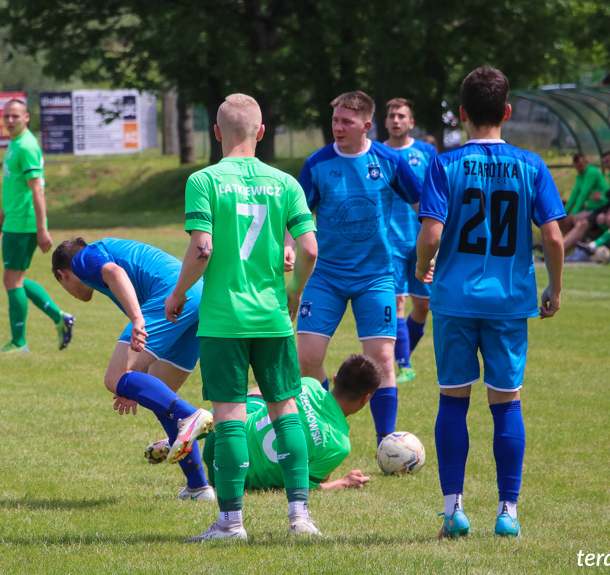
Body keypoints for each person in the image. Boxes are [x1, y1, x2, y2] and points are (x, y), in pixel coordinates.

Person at [415, 67, 565, 539]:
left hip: (456, 301)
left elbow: (432, 233)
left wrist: (424, 267)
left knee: (453, 400)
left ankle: (454, 511)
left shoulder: (443, 164)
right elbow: (555, 237)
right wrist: (554, 289)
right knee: (506, 404)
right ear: (507, 111)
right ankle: (507, 513)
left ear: (462, 114)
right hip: (508, 303)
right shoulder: (531, 164)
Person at [165, 93, 319, 542]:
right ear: (261, 132)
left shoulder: (204, 181)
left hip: (222, 319)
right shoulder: (285, 183)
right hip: (272, 316)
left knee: (229, 415)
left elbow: (202, 248)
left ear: (216, 133)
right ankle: (300, 518)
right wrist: (293, 293)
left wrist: (177, 294)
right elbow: (309, 248)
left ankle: (231, 523)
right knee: (285, 410)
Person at [292, 91, 422, 447]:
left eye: (347, 122)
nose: (338, 127)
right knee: (307, 358)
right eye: (335, 120)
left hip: (376, 276)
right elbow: (297, 219)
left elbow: (423, 205)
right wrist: (289, 250)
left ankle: (387, 442)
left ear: (367, 125)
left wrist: (432, 248)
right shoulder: (317, 164)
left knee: (381, 358)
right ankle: (322, 428)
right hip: (326, 277)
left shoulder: (389, 160)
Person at [51, 237, 215, 500]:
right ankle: (198, 486)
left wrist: (137, 320)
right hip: (197, 298)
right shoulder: (107, 253)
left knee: (115, 378)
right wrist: (134, 386)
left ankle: (191, 414)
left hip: (171, 298)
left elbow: (114, 273)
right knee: (160, 395)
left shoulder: (83, 258)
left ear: (63, 274)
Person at [148, 354, 382, 493]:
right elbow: (303, 485)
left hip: (221, 438)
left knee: (257, 397)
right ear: (366, 398)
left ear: (335, 379)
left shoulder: (310, 384)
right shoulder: (340, 445)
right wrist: (342, 481)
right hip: (231, 476)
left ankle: (196, 430)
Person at [0, 99, 74, 353]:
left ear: (26, 117)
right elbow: (16, 191)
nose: (10, 120)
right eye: (6, 116)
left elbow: (37, 190)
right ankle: (60, 318)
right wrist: (0, 218)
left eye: (15, 116)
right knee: (15, 279)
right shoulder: (15, 144)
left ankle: (19, 342)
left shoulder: (26, 146)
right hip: (14, 222)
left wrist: (41, 228)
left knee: (12, 280)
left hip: (24, 225)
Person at [383, 98, 438, 383]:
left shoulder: (426, 152)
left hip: (421, 240)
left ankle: (403, 356)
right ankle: (403, 366)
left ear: (411, 122)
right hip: (389, 241)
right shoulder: (377, 153)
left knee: (423, 305)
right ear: (384, 121)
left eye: (401, 115)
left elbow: (436, 195)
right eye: (391, 115)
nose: (395, 120)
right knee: (398, 302)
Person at [560, 153, 609, 254]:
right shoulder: (580, 176)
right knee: (563, 220)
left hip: (600, 208)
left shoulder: (591, 172)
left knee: (575, 219)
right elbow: (574, 195)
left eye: (581, 165)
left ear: (586, 162)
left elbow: (583, 194)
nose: (579, 168)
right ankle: (576, 250)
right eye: (577, 166)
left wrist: (573, 213)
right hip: (590, 209)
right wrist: (564, 213)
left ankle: (568, 250)